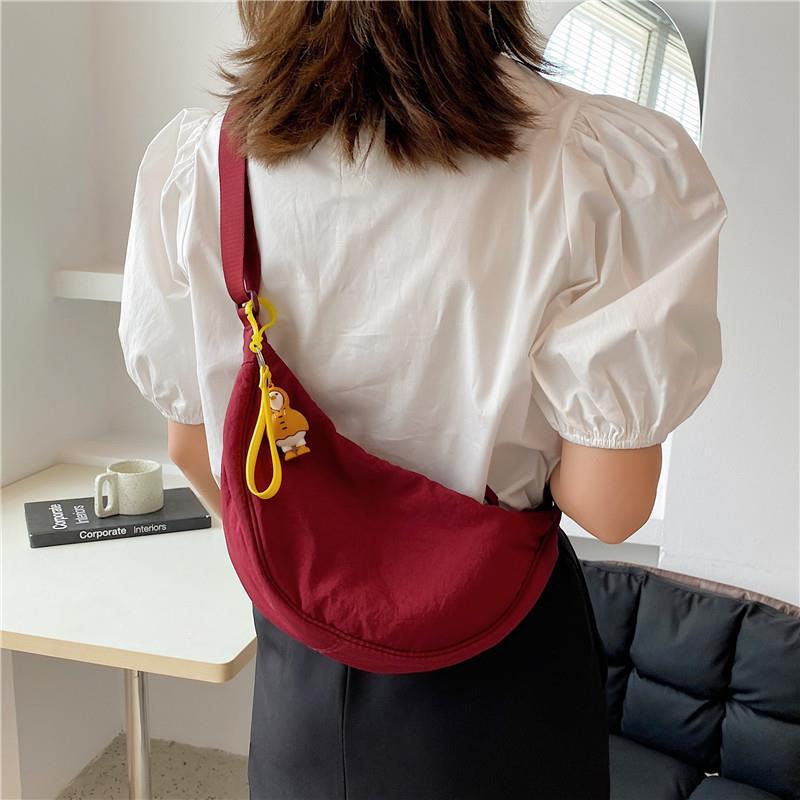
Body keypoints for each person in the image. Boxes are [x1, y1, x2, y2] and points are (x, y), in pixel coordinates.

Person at [117, 2, 728, 798]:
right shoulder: (594, 164)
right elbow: (610, 506)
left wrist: (322, 539)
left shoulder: (203, 166)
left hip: (306, 662)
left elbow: (194, 449)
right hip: (502, 657)